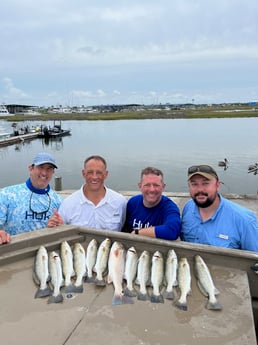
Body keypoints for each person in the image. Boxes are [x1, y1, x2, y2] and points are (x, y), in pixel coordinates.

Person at [181, 164, 258, 252]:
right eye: (194, 184)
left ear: (217, 185)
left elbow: (254, 259)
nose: (200, 189)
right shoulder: (188, 208)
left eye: (206, 183)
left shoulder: (245, 221)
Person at [48, 155, 127, 231]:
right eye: (90, 172)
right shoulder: (68, 204)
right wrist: (55, 225)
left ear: (106, 174)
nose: (94, 177)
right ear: (83, 173)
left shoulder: (120, 202)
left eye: (99, 172)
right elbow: (60, 231)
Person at [0, 152, 62, 244]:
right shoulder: (7, 194)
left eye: (49, 169)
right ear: (31, 168)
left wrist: (58, 226)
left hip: (44, 252)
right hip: (12, 252)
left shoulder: (58, 201)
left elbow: (63, 231)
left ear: (53, 172)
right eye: (41, 167)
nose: (44, 173)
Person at [122, 166, 181, 240]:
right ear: (140, 186)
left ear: (163, 187)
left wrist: (137, 233)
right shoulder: (133, 203)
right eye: (147, 185)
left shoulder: (169, 208)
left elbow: (172, 231)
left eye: (156, 185)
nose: (152, 189)